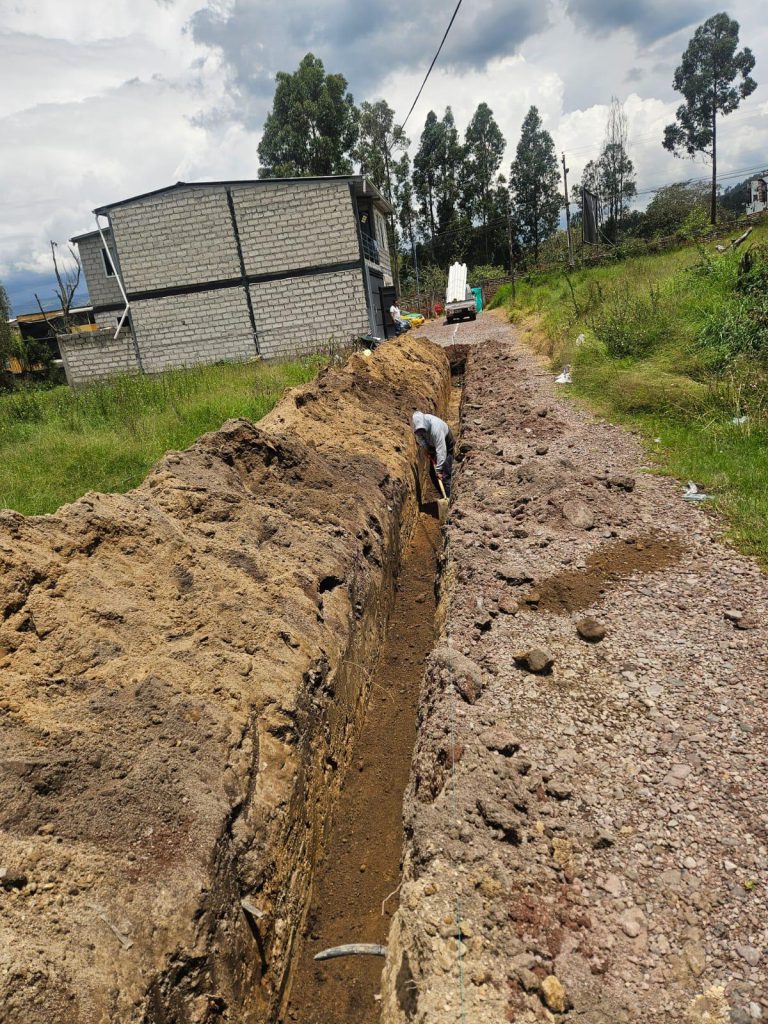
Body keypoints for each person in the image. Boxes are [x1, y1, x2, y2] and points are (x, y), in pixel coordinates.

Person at [412, 411, 454, 498]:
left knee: (445, 474)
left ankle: (450, 498)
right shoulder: (418, 428)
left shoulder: (436, 428)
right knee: (433, 474)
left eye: (422, 431)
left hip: (445, 443)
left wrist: (439, 470)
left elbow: (441, 450)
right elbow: (420, 439)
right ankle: (444, 495)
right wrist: (426, 448)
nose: (421, 433)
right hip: (433, 444)